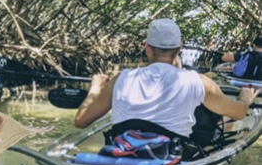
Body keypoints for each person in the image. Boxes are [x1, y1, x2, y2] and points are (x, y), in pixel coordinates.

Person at [74, 19, 260, 150]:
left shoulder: (120, 79)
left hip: (121, 153)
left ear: (147, 47)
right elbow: (239, 113)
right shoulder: (199, 81)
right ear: (179, 50)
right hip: (169, 156)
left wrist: (96, 88)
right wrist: (244, 100)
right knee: (217, 125)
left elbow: (80, 121)